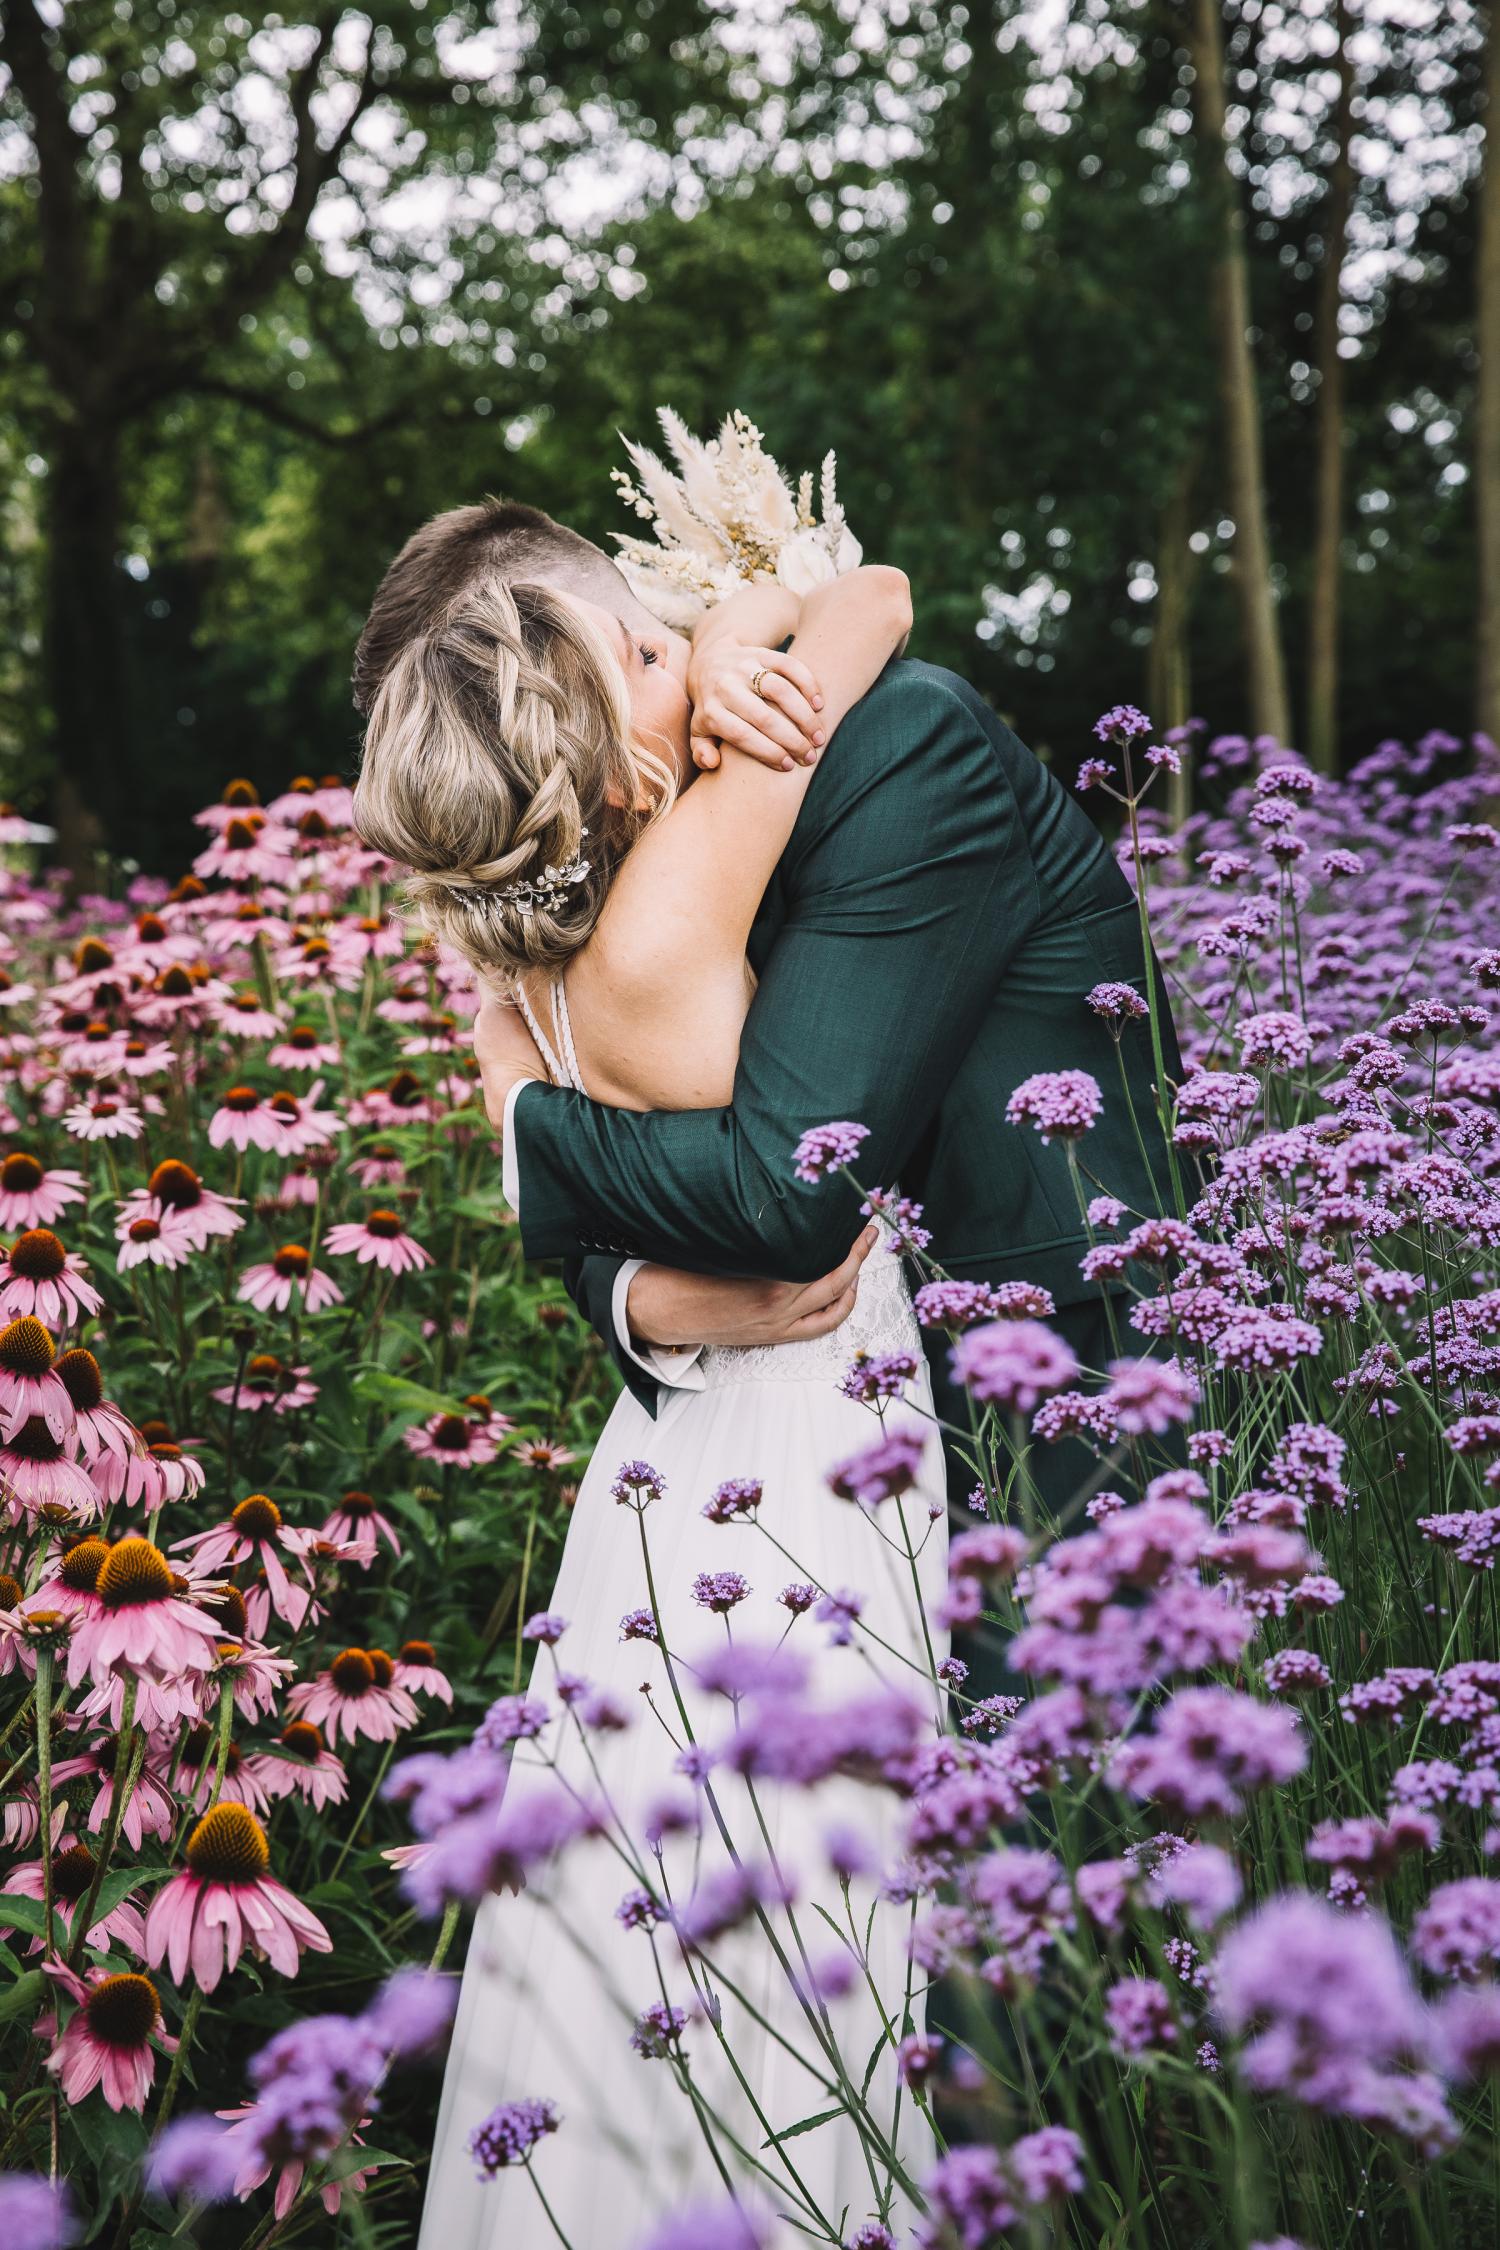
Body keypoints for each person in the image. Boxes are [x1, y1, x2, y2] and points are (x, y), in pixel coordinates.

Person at [353, 509, 951, 2249]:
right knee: (815, 1864)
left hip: (656, 1474)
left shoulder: (499, 1000)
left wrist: (658, 1309)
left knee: (626, 1881)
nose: (677, 650)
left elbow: (584, 1234)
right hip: (821, 1433)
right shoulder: (693, 872)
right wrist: (763, 634)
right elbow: (877, 598)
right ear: (608, 748)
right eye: (639, 647)